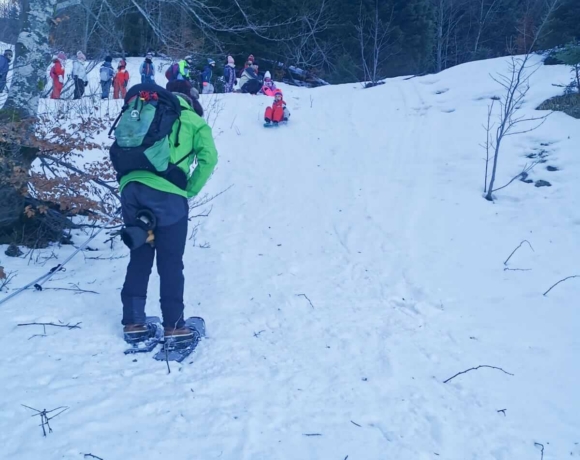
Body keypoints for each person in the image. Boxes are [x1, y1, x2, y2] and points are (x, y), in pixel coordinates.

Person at [118, 82, 218, 343]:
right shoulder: (194, 120)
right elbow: (209, 158)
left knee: (140, 254)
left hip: (131, 190)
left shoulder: (143, 109)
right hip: (168, 197)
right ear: (192, 100)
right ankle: (174, 326)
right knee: (170, 262)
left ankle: (134, 322)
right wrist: (188, 190)